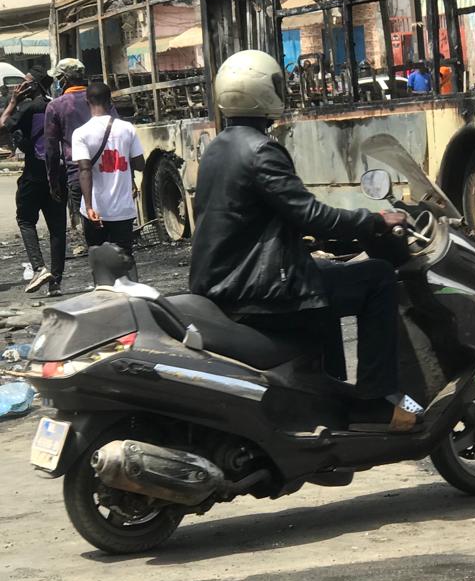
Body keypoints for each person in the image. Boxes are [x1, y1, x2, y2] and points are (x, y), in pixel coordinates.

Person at [189, 50, 422, 433]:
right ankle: (374, 403)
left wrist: (305, 240)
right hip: (258, 289)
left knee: (325, 275)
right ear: (264, 92)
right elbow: (311, 214)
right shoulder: (262, 150)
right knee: (378, 278)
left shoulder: (217, 148)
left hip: (226, 280)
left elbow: (251, 216)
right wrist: (374, 220)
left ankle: (327, 394)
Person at [0, 67, 66, 295]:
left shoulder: (27, 107)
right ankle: (55, 283)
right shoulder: (56, 104)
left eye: (25, 83)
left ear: (34, 85)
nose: (20, 87)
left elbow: (1, 126)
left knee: (25, 220)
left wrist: (12, 102)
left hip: (34, 174)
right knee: (57, 228)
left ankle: (39, 267)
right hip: (58, 173)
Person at [44, 58, 117, 249]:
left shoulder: (56, 106)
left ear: (63, 80)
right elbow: (118, 131)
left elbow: (51, 149)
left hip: (77, 175)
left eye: (58, 78)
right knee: (115, 232)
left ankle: (103, 273)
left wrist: (53, 182)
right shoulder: (99, 97)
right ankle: (119, 271)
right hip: (111, 171)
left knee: (94, 234)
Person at [70, 82, 144, 268]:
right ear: (110, 101)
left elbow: (85, 170)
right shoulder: (128, 128)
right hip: (123, 210)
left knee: (99, 261)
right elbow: (140, 164)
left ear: (87, 102)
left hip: (96, 211)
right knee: (126, 258)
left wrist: (88, 207)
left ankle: (104, 295)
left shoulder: (80, 133)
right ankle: (128, 292)